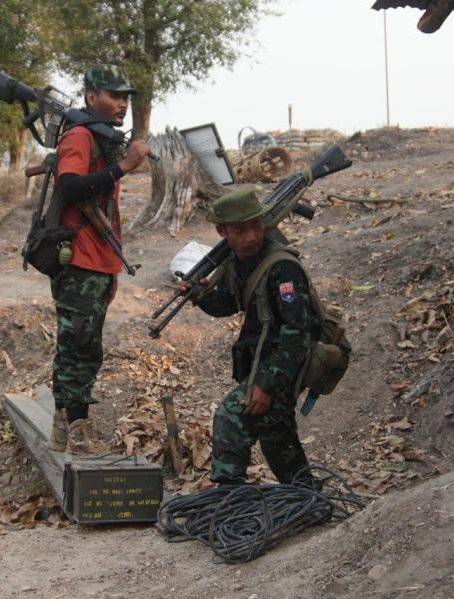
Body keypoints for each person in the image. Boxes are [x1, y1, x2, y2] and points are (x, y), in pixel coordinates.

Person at [184, 189, 350, 485]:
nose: (251, 236)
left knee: (231, 418)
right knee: (277, 436)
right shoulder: (238, 261)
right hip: (269, 359)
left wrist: (266, 385)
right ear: (222, 231)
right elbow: (228, 304)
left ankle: (229, 500)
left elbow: (296, 335)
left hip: (286, 363)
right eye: (240, 230)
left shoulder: (282, 268)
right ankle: (305, 496)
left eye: (257, 226)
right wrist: (199, 295)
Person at [47, 64, 150, 455]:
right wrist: (125, 166)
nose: (122, 104)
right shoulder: (79, 136)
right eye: (114, 95)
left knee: (82, 345)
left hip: (99, 261)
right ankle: (77, 429)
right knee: (80, 346)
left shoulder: (101, 139)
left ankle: (63, 424)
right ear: (92, 97)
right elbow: (70, 185)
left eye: (126, 97)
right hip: (79, 262)